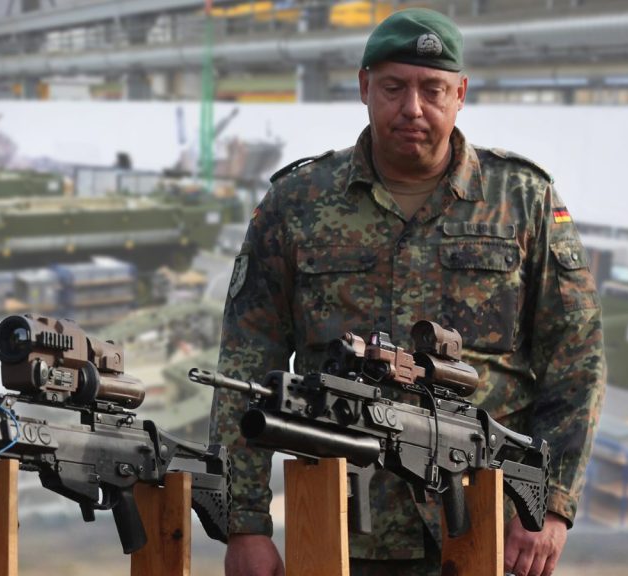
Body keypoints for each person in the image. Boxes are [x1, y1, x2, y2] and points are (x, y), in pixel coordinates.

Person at [211, 8, 605, 576]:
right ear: (364, 87)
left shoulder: (524, 200)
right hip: (342, 531)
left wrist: (554, 506)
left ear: (461, 93)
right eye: (394, 87)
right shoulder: (295, 205)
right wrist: (243, 524)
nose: (413, 108)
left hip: (491, 530)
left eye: (433, 89)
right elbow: (249, 362)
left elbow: (577, 360)